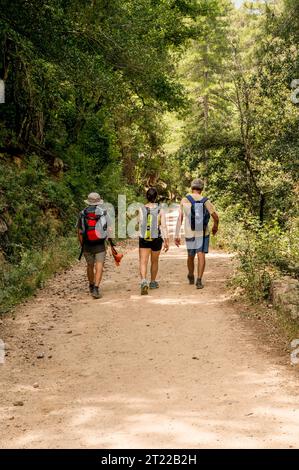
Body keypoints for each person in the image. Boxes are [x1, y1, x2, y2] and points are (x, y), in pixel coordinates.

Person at [175, 178, 219, 289]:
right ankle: (199, 280)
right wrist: (215, 227)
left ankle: (190, 274)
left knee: (190, 255)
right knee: (201, 255)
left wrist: (177, 234)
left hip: (190, 233)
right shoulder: (205, 200)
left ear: (191, 187)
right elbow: (216, 217)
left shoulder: (185, 200)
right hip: (203, 232)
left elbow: (180, 218)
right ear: (202, 189)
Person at [77, 192, 111, 299]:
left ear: (88, 201)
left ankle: (91, 285)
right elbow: (109, 229)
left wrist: (82, 244)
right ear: (99, 202)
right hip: (100, 244)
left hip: (87, 244)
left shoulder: (82, 214)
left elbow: (79, 231)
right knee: (99, 265)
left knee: (90, 266)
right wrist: (108, 242)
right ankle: (96, 288)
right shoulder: (104, 213)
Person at [139, 187, 169, 295]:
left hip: (144, 238)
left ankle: (143, 282)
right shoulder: (160, 210)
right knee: (154, 261)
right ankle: (152, 282)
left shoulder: (141, 208)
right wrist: (166, 240)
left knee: (143, 261)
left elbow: (140, 223)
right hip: (156, 238)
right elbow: (164, 226)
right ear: (156, 197)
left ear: (146, 197)